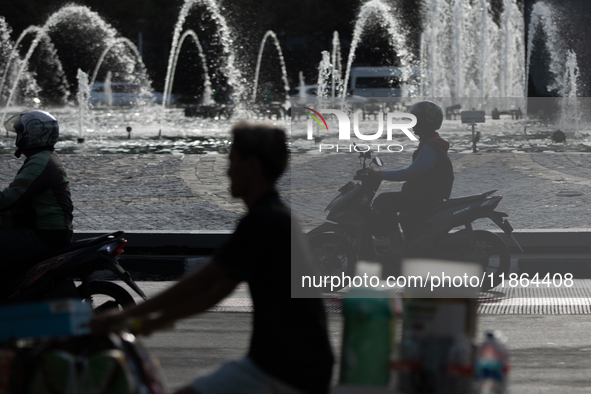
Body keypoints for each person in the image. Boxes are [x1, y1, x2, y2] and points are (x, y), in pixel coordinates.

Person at [91, 121, 334, 394]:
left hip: (282, 368)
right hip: (298, 363)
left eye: (231, 162)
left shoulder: (262, 222)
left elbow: (201, 283)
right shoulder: (277, 216)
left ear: (251, 166)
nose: (226, 172)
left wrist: (128, 315)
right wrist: (153, 322)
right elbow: (215, 293)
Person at [370, 100, 454, 248]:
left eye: (415, 120)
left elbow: (411, 173)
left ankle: (396, 241)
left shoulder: (430, 147)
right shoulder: (431, 144)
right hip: (427, 195)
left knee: (383, 200)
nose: (412, 124)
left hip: (427, 198)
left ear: (423, 123)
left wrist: (380, 175)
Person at [0, 110, 73, 266]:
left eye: (20, 133)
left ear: (32, 135)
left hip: (45, 234)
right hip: (49, 231)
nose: (18, 137)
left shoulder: (40, 162)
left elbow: (11, 197)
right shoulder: (45, 157)